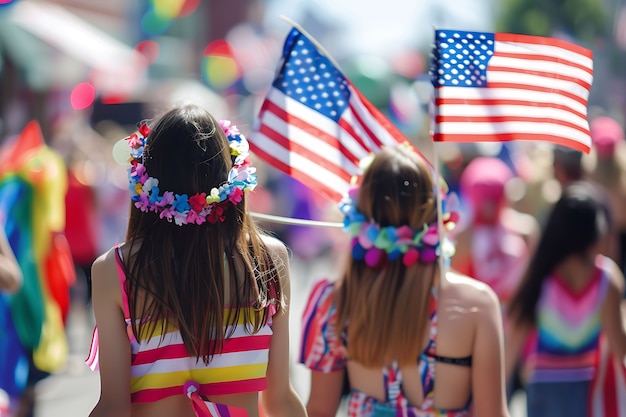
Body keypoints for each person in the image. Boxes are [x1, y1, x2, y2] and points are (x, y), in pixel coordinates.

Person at [86, 104, 307, 417]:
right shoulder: (268, 259)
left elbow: (113, 406)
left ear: (146, 178)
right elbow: (280, 400)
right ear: (230, 174)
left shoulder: (115, 269)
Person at [300, 145, 510, 417]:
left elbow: (318, 410)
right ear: (436, 214)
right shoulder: (478, 304)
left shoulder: (332, 299)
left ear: (360, 214)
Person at [505, 181, 626, 417]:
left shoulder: (539, 275)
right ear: (594, 232)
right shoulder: (606, 279)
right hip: (590, 388)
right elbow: (620, 348)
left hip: (542, 388)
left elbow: (513, 344)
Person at [452, 156, 538, 310]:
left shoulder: (525, 231)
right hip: (476, 316)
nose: (489, 207)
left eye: (494, 198)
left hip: (514, 316)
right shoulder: (462, 237)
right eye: (483, 199)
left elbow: (534, 279)